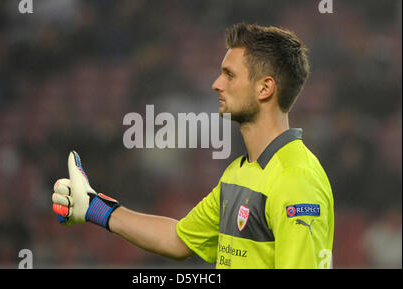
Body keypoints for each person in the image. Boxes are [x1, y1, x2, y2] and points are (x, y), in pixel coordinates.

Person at [51, 23, 334, 269]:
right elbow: (178, 239)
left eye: (230, 75)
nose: (216, 84)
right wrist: (93, 208)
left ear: (265, 88)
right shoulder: (240, 172)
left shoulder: (296, 179)